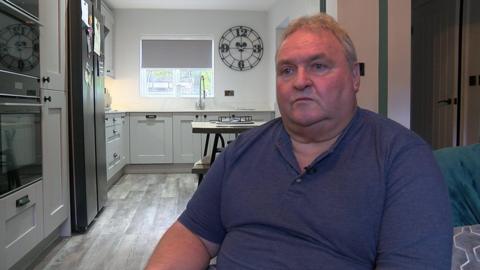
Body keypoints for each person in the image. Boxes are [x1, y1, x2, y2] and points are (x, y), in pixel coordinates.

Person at [145, 13, 453, 269]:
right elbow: (193, 235)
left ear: (354, 77)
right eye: (287, 70)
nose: (300, 80)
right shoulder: (240, 152)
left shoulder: (402, 158)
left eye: (319, 66)